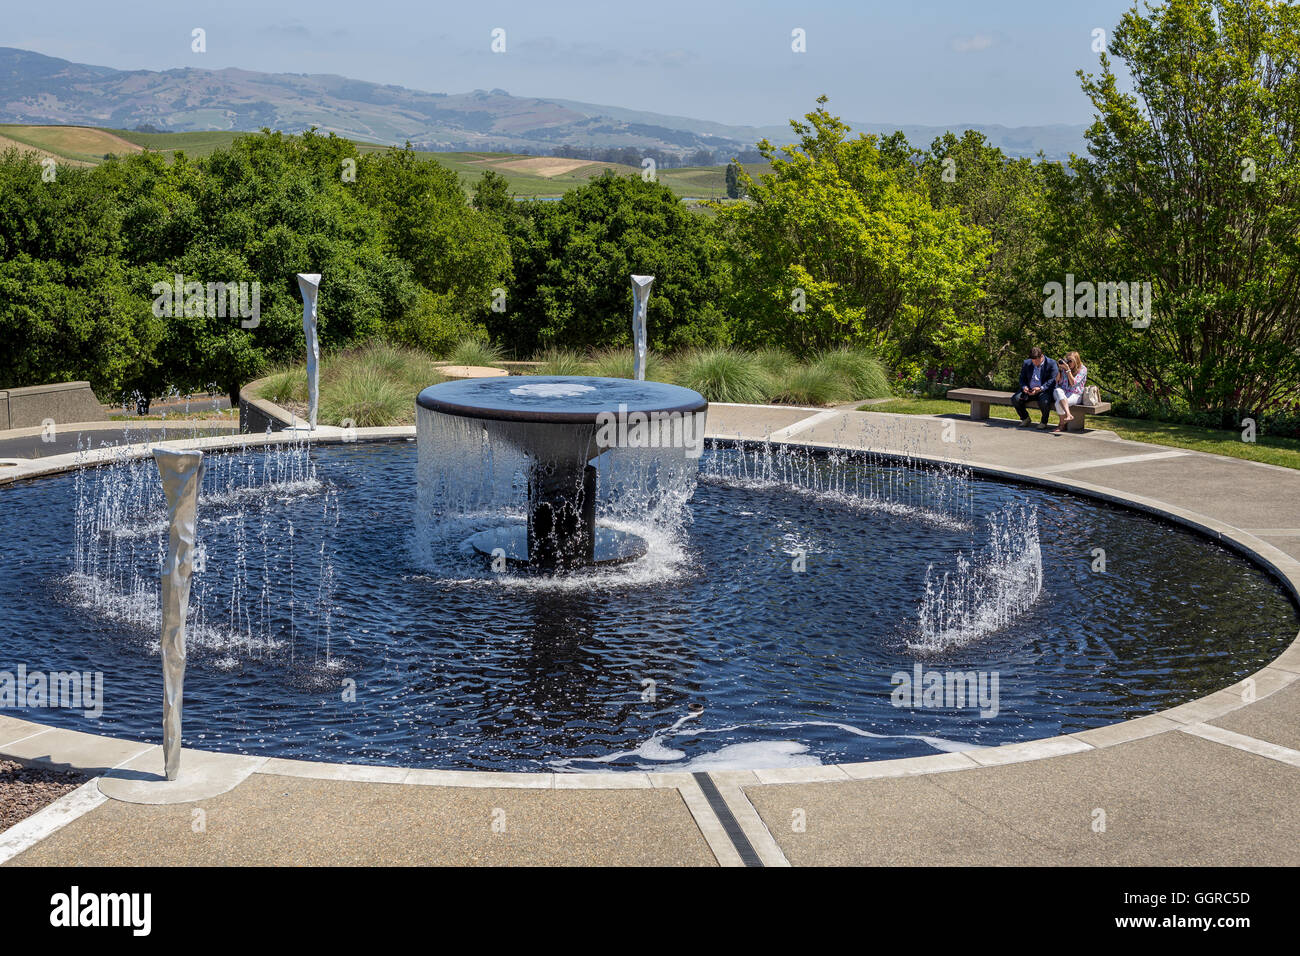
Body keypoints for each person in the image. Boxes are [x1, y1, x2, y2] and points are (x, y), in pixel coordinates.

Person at [1013, 347, 1059, 428]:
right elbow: (1022, 378)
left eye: (1036, 360)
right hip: (1029, 389)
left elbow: (1052, 380)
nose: (1034, 362)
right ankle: (1025, 418)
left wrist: (1041, 388)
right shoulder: (1026, 363)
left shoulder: (1051, 363)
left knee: (1044, 401)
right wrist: (1024, 387)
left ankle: (1043, 422)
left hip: (1044, 390)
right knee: (1015, 399)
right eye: (1032, 360)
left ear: (1042, 356)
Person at [1052, 351, 1088, 433]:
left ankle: (1061, 425)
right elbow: (1058, 381)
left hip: (1075, 394)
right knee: (1057, 390)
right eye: (1067, 360)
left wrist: (1068, 370)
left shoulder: (1083, 369)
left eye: (1070, 361)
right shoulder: (1064, 368)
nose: (1068, 363)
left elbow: (1073, 383)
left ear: (1076, 361)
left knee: (1058, 403)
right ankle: (1068, 414)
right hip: (1062, 392)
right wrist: (1060, 370)